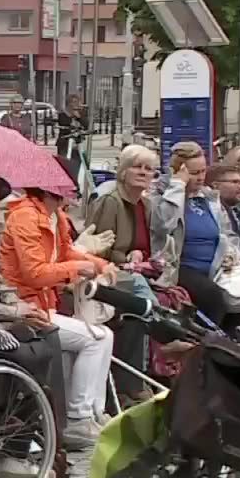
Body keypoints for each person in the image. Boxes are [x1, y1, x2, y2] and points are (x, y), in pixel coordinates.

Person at [0, 186, 116, 449]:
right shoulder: (25, 216)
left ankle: (94, 412)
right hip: (24, 306)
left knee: (104, 336)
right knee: (96, 338)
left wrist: (99, 264)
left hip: (42, 305)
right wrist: (78, 268)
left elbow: (65, 253)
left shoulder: (56, 216)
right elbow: (34, 273)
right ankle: (78, 418)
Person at [151, 141, 240, 330]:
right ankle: (208, 341)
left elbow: (227, 232)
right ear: (178, 172)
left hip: (217, 265)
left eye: (203, 171)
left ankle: (235, 339)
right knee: (214, 298)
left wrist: (232, 252)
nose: (201, 178)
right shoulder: (162, 196)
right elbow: (164, 225)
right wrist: (178, 186)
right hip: (180, 266)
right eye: (194, 173)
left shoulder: (209, 197)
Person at [86, 143, 160, 403]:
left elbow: (142, 246)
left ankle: (140, 379)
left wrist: (137, 255)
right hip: (107, 275)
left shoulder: (146, 205)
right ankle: (139, 378)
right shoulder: (110, 202)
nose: (143, 172)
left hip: (134, 273)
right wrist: (125, 261)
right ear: (123, 171)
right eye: (137, 167)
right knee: (147, 305)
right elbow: (98, 247)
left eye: (148, 169)